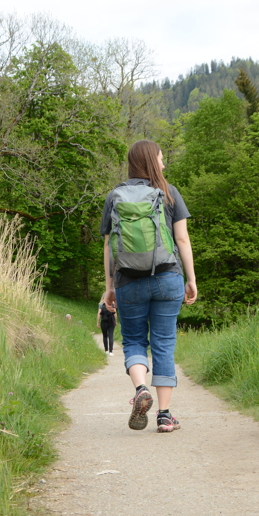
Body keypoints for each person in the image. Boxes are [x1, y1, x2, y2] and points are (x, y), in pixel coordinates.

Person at [102, 140, 198, 433]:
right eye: (161, 158)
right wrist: (191, 279)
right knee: (163, 344)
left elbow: (108, 245)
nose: (164, 164)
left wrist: (109, 287)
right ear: (152, 162)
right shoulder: (169, 193)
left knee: (133, 341)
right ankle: (165, 416)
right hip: (168, 277)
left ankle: (140, 387)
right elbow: (181, 239)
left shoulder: (115, 195)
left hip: (128, 280)